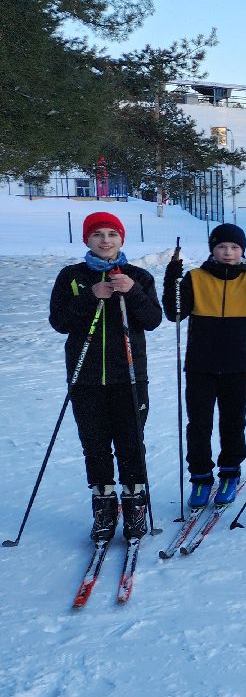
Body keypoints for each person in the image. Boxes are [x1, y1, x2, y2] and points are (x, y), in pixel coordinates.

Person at [49, 211, 163, 541]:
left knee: (131, 443)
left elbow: (153, 319)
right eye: (98, 234)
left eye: (112, 234)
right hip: (85, 378)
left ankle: (135, 502)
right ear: (87, 239)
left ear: (122, 239)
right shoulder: (71, 276)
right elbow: (59, 322)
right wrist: (90, 296)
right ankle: (103, 504)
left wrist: (133, 293)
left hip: (128, 377)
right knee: (95, 445)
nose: (105, 240)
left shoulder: (138, 276)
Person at [162, 223, 246, 509]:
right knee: (199, 424)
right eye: (222, 247)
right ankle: (200, 477)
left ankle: (230, 473)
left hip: (237, 365)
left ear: (243, 251)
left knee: (233, 422)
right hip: (200, 365)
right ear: (212, 249)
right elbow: (175, 313)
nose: (228, 253)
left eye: (235, 248)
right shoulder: (195, 277)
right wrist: (172, 280)